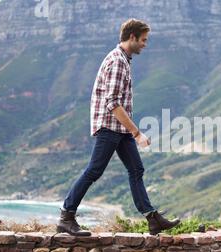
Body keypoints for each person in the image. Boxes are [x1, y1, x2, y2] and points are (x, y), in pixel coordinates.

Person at [57, 19, 180, 236]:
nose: (145, 44)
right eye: (143, 40)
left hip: (119, 129)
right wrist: (137, 132)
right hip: (109, 127)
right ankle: (66, 217)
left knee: (136, 169)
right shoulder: (117, 62)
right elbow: (112, 103)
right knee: (94, 170)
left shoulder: (123, 60)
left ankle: (152, 218)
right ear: (131, 37)